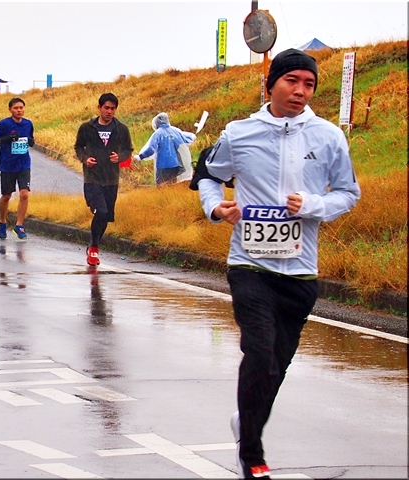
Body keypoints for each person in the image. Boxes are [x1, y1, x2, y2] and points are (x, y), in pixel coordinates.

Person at [194, 48, 361, 479]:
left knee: (276, 365)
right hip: (249, 265)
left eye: (309, 84)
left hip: (301, 270)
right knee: (259, 349)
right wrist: (216, 208)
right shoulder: (239, 133)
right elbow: (209, 175)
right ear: (271, 84)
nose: (301, 91)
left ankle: (245, 422)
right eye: (292, 81)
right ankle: (251, 453)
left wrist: (314, 205)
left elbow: (348, 193)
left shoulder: (328, 137)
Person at [74, 92, 134, 266]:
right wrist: (85, 159)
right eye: (106, 108)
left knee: (106, 215)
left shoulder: (121, 129)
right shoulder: (87, 128)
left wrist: (119, 157)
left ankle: (93, 245)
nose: (109, 111)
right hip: (92, 178)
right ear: (99, 108)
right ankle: (94, 248)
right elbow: (78, 147)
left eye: (113, 109)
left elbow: (128, 150)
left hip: (111, 179)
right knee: (100, 211)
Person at [0, 97, 34, 239]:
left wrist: (31, 142)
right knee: (6, 196)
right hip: (7, 165)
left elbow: (30, 139)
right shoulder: (4, 124)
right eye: (16, 108)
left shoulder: (28, 124)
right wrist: (8, 138)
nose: (19, 110)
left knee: (24, 194)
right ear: (10, 110)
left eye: (21, 107)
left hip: (24, 163)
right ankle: (3, 221)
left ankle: (19, 225)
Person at [133, 112, 196, 185]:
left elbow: (151, 149)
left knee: (161, 187)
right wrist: (193, 136)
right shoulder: (176, 131)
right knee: (173, 185)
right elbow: (188, 138)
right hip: (176, 166)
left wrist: (140, 157)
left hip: (163, 167)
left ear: (156, 123)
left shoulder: (158, 134)